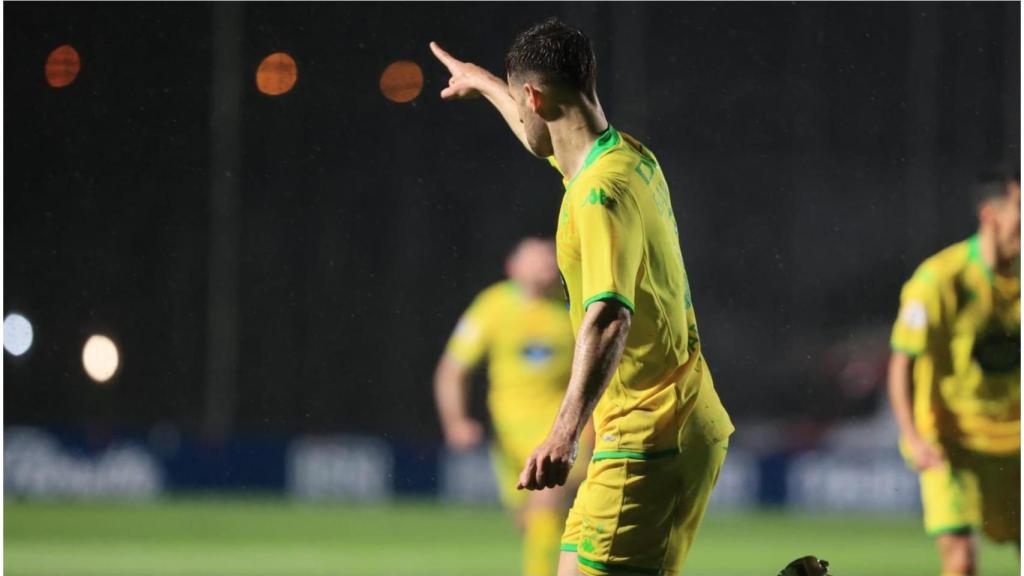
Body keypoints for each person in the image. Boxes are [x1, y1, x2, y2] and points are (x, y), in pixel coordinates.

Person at [431, 17, 734, 576]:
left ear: (535, 96)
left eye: (521, 100)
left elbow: (609, 318)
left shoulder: (598, 196)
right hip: (659, 420)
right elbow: (540, 137)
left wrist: (563, 435)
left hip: (649, 433)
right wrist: (487, 84)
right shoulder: (626, 156)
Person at [888, 170, 1020, 576]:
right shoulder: (939, 279)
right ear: (990, 214)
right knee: (960, 562)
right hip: (951, 444)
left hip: (1015, 444)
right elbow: (901, 363)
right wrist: (913, 437)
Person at [435, 237, 588, 576]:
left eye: (549, 259)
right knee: (533, 522)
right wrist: (456, 422)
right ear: (513, 267)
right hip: (508, 434)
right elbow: (452, 370)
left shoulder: (573, 305)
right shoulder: (493, 306)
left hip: (561, 429)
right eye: (535, 259)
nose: (545, 266)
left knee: (550, 499)